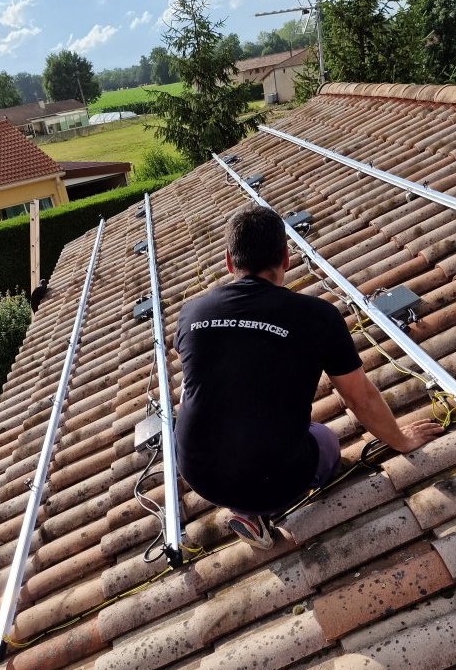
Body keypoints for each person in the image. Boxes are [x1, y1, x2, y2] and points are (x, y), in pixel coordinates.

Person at [173, 204, 442, 549]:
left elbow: (197, 367)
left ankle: (246, 511)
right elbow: (359, 398)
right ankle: (260, 507)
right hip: (275, 480)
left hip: (197, 472)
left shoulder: (192, 312)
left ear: (229, 261)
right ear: (286, 257)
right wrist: (400, 440)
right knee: (325, 439)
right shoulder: (318, 317)